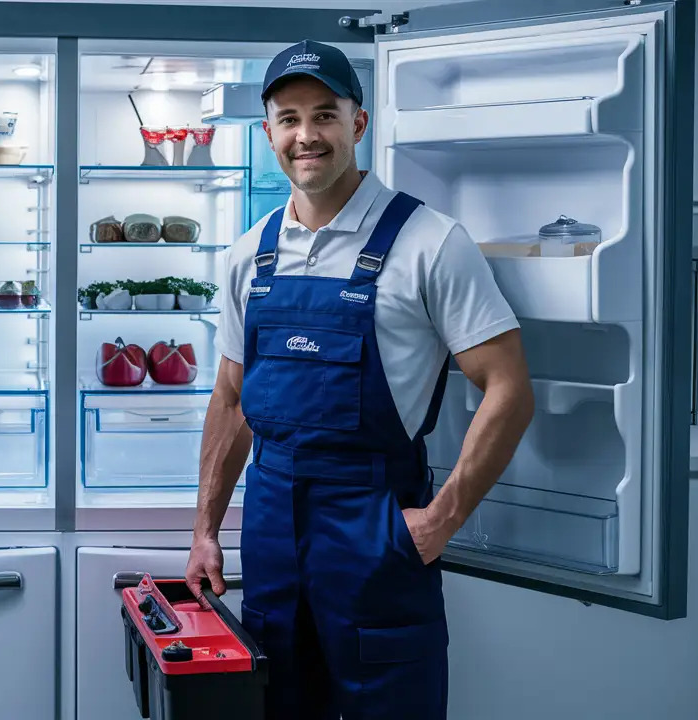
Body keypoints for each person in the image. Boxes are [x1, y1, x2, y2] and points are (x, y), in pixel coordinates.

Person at [184, 40, 535, 720]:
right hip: (270, 522)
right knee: (277, 704)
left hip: (375, 523)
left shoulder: (430, 242)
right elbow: (230, 400)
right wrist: (204, 529)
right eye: (288, 118)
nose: (306, 135)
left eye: (324, 115)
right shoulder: (246, 255)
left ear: (358, 124)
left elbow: (509, 387)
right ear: (269, 133)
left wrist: (442, 519)